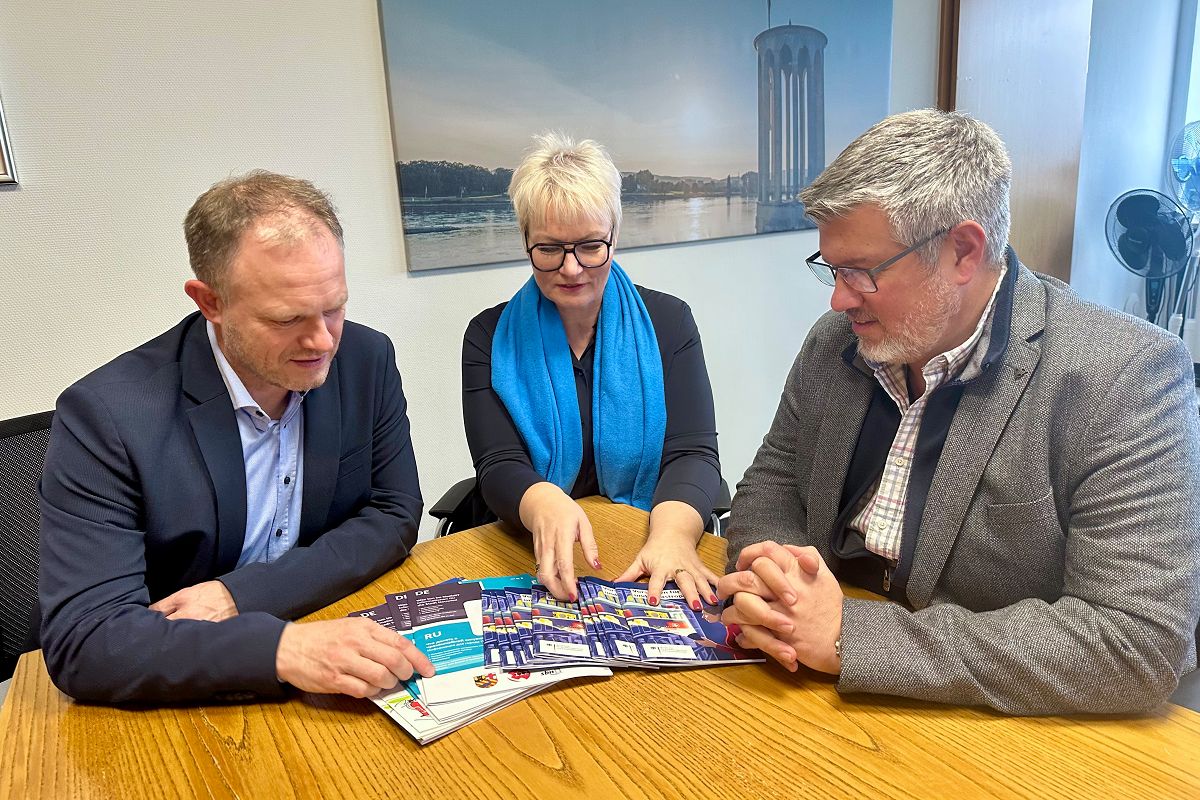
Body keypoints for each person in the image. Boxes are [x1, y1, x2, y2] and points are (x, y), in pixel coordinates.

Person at [718, 109, 1200, 715]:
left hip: (999, 730)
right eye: (831, 270)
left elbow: (1136, 644)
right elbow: (774, 481)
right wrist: (777, 578)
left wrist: (850, 638)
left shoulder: (1122, 375)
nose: (840, 299)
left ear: (964, 252)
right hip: (804, 691)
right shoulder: (836, 342)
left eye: (860, 272)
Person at [39, 171, 435, 704]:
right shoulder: (107, 415)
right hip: (181, 696)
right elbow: (87, 641)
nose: (322, 341)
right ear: (211, 302)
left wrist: (241, 595)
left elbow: (393, 512)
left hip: (329, 644)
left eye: (334, 306)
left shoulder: (366, 359)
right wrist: (281, 651)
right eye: (287, 317)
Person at [462, 133, 722, 610]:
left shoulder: (670, 323)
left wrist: (674, 536)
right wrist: (541, 501)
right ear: (525, 241)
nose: (571, 268)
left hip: (645, 543)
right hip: (528, 550)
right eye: (549, 248)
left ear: (614, 237)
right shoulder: (487, 336)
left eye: (589, 246)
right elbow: (497, 464)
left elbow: (694, 455)